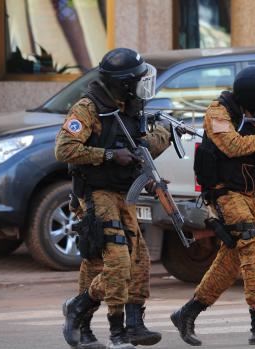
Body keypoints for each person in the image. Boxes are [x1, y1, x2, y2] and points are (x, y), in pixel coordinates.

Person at [170, 66, 255, 346]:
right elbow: (233, 146)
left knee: (229, 264)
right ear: (253, 96)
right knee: (254, 252)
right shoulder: (218, 113)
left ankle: (187, 313)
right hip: (226, 196)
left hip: (249, 197)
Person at [56, 48, 170, 349]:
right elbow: (64, 149)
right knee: (116, 263)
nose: (142, 83)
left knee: (139, 261)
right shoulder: (88, 108)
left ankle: (132, 325)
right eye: (136, 79)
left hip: (123, 193)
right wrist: (107, 155)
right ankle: (90, 318)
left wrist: (163, 135)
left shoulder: (129, 106)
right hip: (96, 193)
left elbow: (137, 149)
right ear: (122, 82)